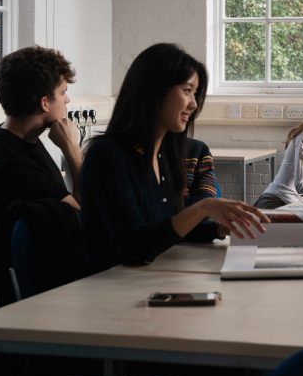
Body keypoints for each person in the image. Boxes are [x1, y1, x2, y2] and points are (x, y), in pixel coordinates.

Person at [81, 43, 267, 271]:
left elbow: (164, 228)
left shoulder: (163, 155)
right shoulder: (108, 155)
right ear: (154, 91)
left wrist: (218, 229)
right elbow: (133, 246)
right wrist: (203, 207)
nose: (194, 104)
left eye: (195, 94)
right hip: (108, 286)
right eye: (187, 91)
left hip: (144, 279)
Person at [0, 46, 83, 305]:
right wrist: (72, 151)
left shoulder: (13, 141)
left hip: (46, 272)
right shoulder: (9, 164)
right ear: (44, 102)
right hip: (38, 293)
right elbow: (85, 217)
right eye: (63, 93)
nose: (67, 100)